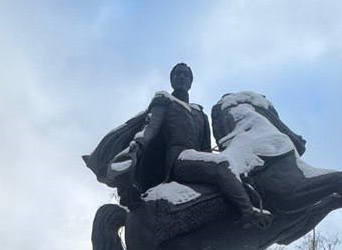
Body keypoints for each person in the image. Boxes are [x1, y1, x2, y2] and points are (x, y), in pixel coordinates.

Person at [111, 63, 272, 224]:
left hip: (196, 158)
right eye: (177, 74)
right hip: (177, 160)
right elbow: (150, 128)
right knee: (222, 165)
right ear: (172, 80)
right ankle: (248, 213)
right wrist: (137, 145)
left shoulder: (200, 113)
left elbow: (206, 150)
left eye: (186, 75)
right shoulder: (165, 100)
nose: (181, 77)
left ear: (190, 82)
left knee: (235, 169)